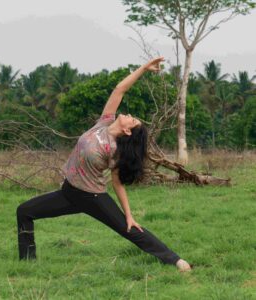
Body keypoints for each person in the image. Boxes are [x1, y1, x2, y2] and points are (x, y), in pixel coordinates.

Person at [16, 57, 192, 272]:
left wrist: (129, 214)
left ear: (127, 130)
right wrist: (144, 69)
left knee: (129, 229)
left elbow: (117, 183)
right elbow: (120, 89)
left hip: (93, 197)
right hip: (69, 192)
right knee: (24, 211)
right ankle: (27, 264)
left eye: (133, 120)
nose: (129, 115)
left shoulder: (115, 150)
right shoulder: (103, 123)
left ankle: (176, 261)